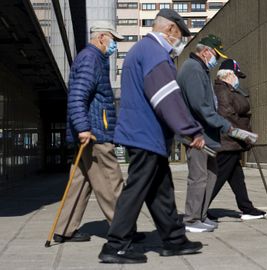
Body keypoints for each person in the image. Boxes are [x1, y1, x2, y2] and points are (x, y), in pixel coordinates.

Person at [98, 9, 205, 264]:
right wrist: (190, 131)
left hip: (144, 134)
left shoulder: (141, 50)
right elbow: (167, 98)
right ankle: (116, 246)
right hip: (145, 134)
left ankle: (174, 240)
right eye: (180, 36)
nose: (179, 42)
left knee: (160, 190)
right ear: (170, 30)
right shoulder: (155, 53)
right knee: (136, 190)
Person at [53, 21, 125, 243]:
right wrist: (84, 128)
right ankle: (123, 229)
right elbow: (77, 96)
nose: (115, 45)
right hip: (96, 134)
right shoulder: (91, 58)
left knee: (80, 183)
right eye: (113, 39)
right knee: (111, 181)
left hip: (91, 130)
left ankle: (64, 229)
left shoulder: (93, 59)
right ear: (102, 37)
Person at [177, 34, 231, 233]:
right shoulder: (192, 70)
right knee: (199, 177)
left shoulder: (199, 68)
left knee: (211, 174)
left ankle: (200, 215)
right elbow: (200, 106)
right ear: (206, 52)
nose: (216, 59)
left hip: (204, 134)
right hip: (197, 134)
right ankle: (191, 219)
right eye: (216, 54)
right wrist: (225, 126)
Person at [208, 59, 266, 220]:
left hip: (231, 143)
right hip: (227, 142)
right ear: (227, 75)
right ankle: (200, 209)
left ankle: (246, 207)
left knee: (237, 178)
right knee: (218, 178)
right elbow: (227, 117)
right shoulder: (222, 91)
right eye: (236, 76)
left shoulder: (227, 90)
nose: (238, 79)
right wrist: (245, 136)